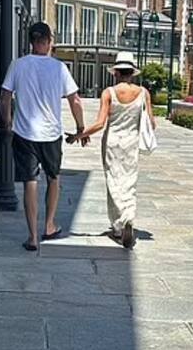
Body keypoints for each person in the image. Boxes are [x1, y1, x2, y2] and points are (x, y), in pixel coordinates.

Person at [0, 22, 87, 252]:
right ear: (48, 41)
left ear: (31, 41)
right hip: (50, 134)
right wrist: (80, 127)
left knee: (30, 181)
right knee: (53, 177)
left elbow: (5, 97)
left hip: (24, 133)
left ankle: (33, 237)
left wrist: (7, 123)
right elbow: (75, 100)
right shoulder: (59, 68)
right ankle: (49, 225)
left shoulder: (18, 65)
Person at [69, 52, 155, 249]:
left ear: (115, 72)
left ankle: (119, 226)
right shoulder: (143, 93)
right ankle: (128, 217)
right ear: (132, 73)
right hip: (131, 142)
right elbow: (151, 122)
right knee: (129, 181)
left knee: (114, 181)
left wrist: (79, 135)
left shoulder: (109, 92)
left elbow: (100, 123)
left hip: (113, 142)